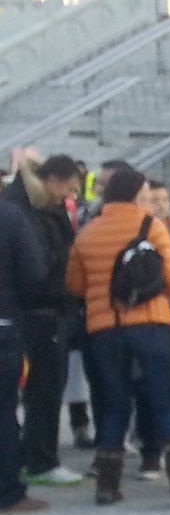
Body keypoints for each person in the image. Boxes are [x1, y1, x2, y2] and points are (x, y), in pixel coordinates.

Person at [64, 165, 170, 507]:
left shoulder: (87, 233)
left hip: (104, 328)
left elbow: (75, 285)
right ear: (137, 196)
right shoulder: (154, 227)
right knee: (164, 400)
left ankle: (107, 485)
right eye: (146, 195)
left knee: (114, 405)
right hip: (151, 323)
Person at [2, 154, 85, 488]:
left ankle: (27, 460)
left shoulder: (24, 204)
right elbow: (37, 269)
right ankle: (40, 460)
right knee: (45, 388)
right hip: (39, 312)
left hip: (30, 312)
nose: (70, 195)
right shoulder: (26, 211)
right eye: (69, 187)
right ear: (52, 180)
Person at [0, 182, 50, 514]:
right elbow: (34, 275)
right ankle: (8, 492)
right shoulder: (10, 217)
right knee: (4, 411)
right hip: (4, 322)